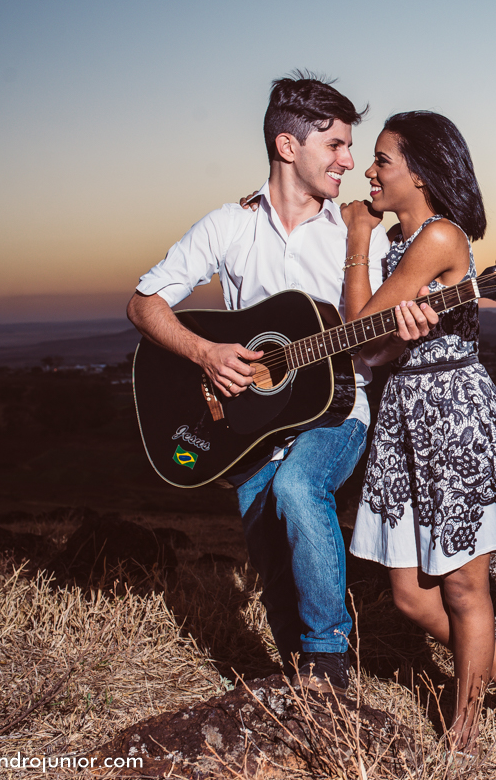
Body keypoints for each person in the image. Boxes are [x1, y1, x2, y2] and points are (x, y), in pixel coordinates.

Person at [127, 73, 431, 691]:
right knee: (268, 550)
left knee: (298, 489)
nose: (351, 161)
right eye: (336, 146)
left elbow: (372, 334)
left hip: (337, 410)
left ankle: (330, 660)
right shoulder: (229, 225)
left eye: (353, 146)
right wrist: (205, 352)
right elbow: (145, 303)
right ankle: (298, 672)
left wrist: (404, 329)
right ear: (288, 147)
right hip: (248, 419)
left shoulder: (357, 234)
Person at [340, 111, 496, 754]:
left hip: (451, 418)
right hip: (406, 417)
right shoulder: (400, 246)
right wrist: (377, 283)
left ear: (421, 171)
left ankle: (464, 735)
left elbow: (357, 321)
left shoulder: (440, 237)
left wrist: (356, 238)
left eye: (383, 159)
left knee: (465, 587)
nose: (370, 170)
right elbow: (369, 347)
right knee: (412, 598)